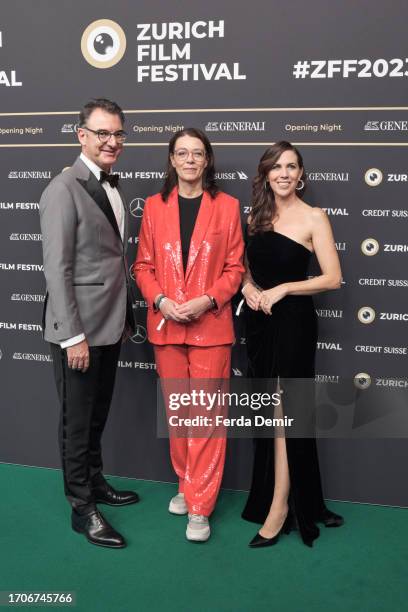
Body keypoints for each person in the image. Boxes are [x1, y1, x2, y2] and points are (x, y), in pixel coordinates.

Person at [134, 128, 244, 542]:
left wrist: (208, 300)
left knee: (207, 418)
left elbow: (235, 268)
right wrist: (161, 301)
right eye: (182, 153)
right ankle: (186, 481)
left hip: (210, 327)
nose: (190, 160)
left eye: (197, 153)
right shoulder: (154, 206)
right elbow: (142, 265)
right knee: (179, 413)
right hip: (166, 327)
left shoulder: (228, 207)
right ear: (172, 160)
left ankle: (200, 505)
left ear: (207, 160)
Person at [39, 98, 138, 549]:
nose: (112, 141)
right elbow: (56, 269)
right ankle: (82, 508)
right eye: (102, 133)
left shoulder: (112, 187)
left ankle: (95, 482)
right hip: (78, 331)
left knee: (97, 414)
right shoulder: (63, 188)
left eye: (118, 133)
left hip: (111, 325)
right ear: (81, 135)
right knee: (76, 423)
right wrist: (72, 336)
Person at [241, 141, 344, 548]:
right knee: (273, 413)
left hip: (295, 323)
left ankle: (280, 507)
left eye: (292, 166)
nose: (284, 173)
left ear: (301, 174)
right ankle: (304, 500)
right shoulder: (255, 217)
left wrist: (284, 288)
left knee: (288, 413)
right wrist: (249, 288)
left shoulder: (314, 217)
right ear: (266, 173)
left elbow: (332, 278)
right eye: (277, 166)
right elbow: (246, 270)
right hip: (260, 323)